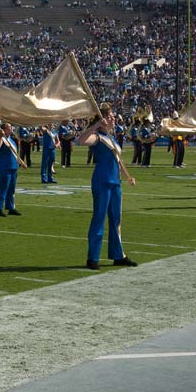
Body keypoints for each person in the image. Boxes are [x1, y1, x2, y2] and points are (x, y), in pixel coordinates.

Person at [77, 103, 137, 270]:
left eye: (112, 116)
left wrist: (127, 177)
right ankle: (93, 257)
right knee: (99, 217)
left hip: (115, 183)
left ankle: (119, 255)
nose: (113, 119)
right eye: (110, 117)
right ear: (102, 119)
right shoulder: (97, 136)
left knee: (116, 219)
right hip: (102, 181)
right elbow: (81, 141)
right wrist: (96, 125)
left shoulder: (111, 139)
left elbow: (118, 161)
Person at [0, 123, 26, 216]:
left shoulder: (12, 140)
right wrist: (0, 136)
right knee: (3, 188)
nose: (11, 129)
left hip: (13, 167)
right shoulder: (2, 139)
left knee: (11, 189)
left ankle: (11, 207)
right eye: (9, 128)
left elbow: (15, 154)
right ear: (4, 129)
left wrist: (21, 163)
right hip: (4, 167)